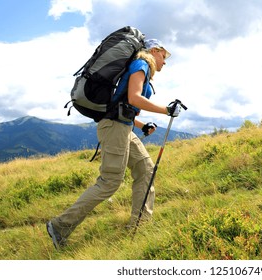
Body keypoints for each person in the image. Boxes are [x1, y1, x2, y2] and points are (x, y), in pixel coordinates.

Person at [46, 39, 181, 249]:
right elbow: (135, 98)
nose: (165, 61)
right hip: (115, 128)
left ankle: (141, 226)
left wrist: (142, 125)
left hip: (122, 127)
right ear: (154, 51)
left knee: (145, 170)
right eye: (164, 55)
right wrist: (166, 110)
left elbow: (122, 104)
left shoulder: (138, 66)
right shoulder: (141, 63)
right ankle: (60, 226)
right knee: (110, 182)